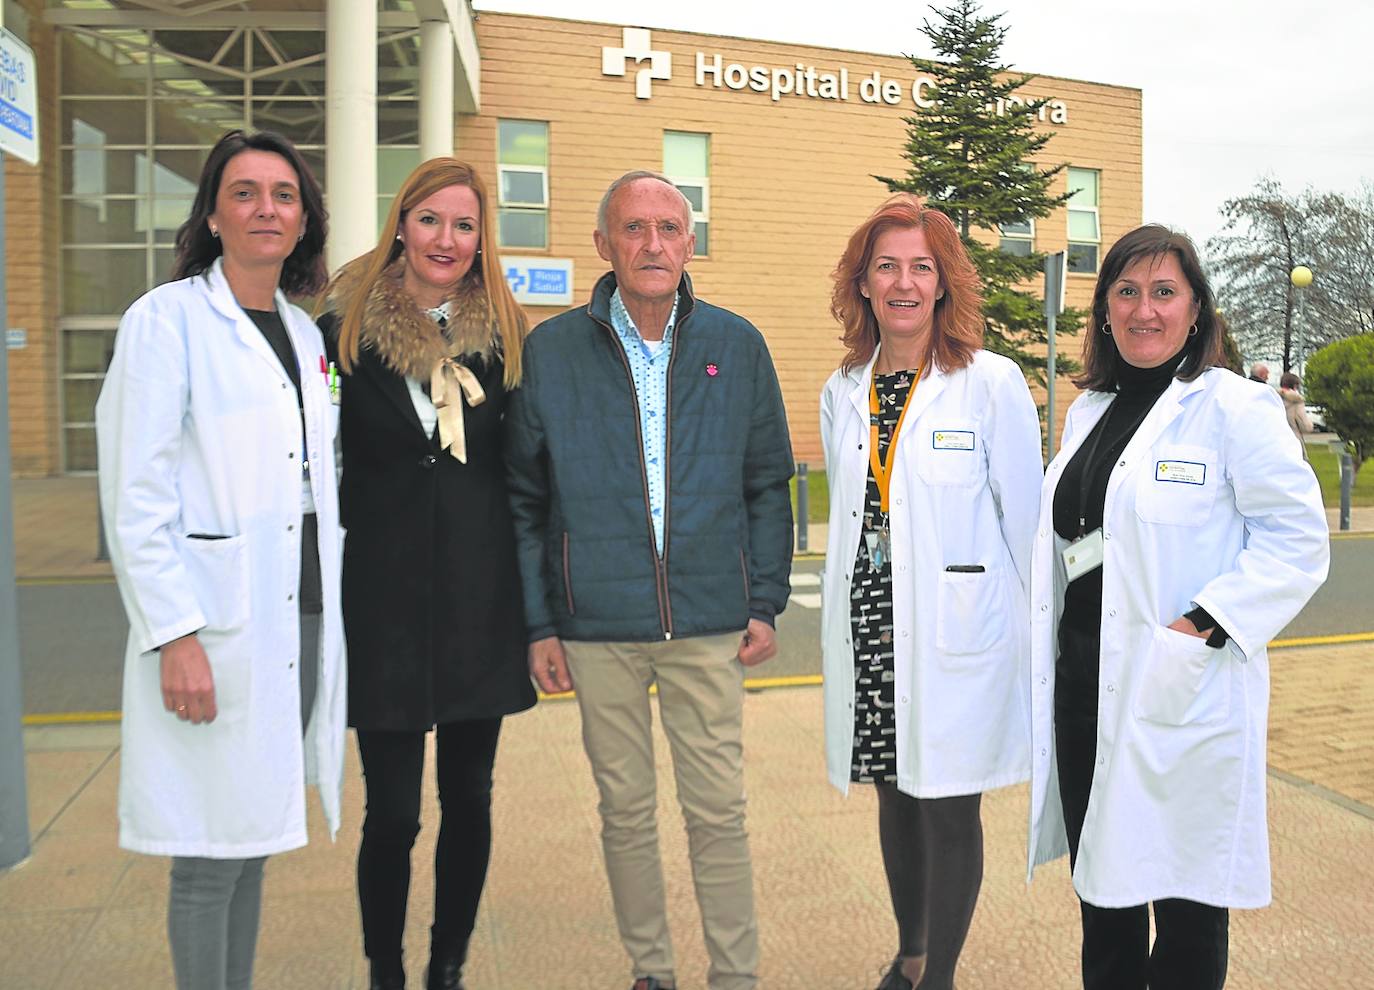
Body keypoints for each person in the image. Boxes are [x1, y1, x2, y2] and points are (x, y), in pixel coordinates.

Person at [505, 170, 794, 990]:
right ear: (604, 245)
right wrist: (539, 623)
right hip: (596, 627)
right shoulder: (552, 352)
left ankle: (734, 975)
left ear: (690, 244)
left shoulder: (735, 345)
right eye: (635, 229)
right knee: (625, 815)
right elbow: (525, 499)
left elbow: (767, 482)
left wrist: (763, 599)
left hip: (708, 620)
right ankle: (651, 971)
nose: (654, 244)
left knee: (718, 814)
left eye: (669, 228)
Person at [1026, 225, 1330, 989]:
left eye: (1164, 292)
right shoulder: (1089, 411)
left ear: (1196, 310)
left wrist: (1202, 625)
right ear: (1103, 311)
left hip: (1179, 688)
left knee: (1189, 911)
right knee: (1104, 902)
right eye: (1126, 292)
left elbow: (1297, 542)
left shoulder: (1234, 408)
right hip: (1085, 690)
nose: (1144, 310)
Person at [95, 129, 343, 990]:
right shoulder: (166, 322)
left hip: (296, 615)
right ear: (212, 213)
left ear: (304, 217)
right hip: (213, 625)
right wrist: (176, 636)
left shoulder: (306, 334)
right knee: (206, 853)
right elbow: (136, 494)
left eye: (283, 194)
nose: (265, 209)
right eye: (244, 192)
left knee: (255, 835)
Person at [317, 159, 536, 990]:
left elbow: (523, 475)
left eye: (465, 225)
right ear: (401, 224)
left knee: (470, 801)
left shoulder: (507, 338)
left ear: (482, 241)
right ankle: (386, 969)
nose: (447, 239)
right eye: (432, 220)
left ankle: (449, 964)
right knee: (395, 815)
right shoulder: (340, 334)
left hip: (481, 606)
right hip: (384, 606)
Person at [819, 194, 1042, 990]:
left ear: (944, 284)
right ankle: (909, 953)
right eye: (887, 266)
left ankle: (938, 976)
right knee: (894, 794)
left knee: (948, 804)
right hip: (873, 622)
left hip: (957, 633)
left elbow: (1027, 525)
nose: (904, 283)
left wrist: (1036, 644)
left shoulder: (989, 383)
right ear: (865, 282)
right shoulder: (843, 387)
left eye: (921, 267)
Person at [1279, 371, 1313, 459]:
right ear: (1294, 386)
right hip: (1293, 440)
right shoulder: (1297, 401)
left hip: (1276, 441)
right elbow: (1305, 426)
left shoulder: (1274, 398)